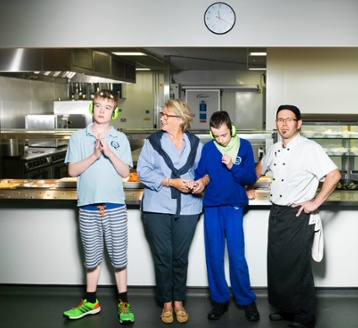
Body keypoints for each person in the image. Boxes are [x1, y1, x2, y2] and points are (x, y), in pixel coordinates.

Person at [249, 105, 341, 328]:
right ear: (276, 123)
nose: (284, 124)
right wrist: (245, 186)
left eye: (289, 119)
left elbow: (334, 175)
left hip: (297, 214)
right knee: (279, 265)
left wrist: (315, 202)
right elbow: (259, 169)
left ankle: (305, 315)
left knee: (298, 266)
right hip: (277, 212)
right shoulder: (274, 149)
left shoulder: (310, 148)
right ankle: (288, 308)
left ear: (298, 123)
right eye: (280, 119)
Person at [62, 89, 135, 324]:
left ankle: (123, 302)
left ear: (114, 111)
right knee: (91, 258)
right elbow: (72, 171)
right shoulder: (78, 137)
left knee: (119, 258)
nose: (102, 111)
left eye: (107, 107)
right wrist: (94, 155)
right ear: (92, 108)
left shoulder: (120, 138)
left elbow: (125, 173)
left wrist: (110, 153)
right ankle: (91, 301)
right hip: (88, 207)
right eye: (98, 106)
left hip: (114, 206)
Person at [136, 99, 203, 324]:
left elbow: (204, 171)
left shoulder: (195, 143)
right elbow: (142, 171)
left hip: (188, 208)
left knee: (179, 257)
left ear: (181, 120)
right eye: (162, 114)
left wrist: (201, 182)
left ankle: (179, 302)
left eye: (166, 115)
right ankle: (166, 303)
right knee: (163, 257)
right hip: (157, 207)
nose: (162, 118)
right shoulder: (153, 142)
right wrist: (169, 181)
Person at [191, 111, 260, 322]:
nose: (220, 140)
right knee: (214, 256)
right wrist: (200, 182)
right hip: (212, 206)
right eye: (216, 135)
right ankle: (220, 300)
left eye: (223, 135)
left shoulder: (244, 147)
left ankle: (246, 301)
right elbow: (201, 174)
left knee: (237, 257)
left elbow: (250, 176)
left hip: (234, 206)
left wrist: (232, 166)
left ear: (231, 129)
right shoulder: (208, 148)